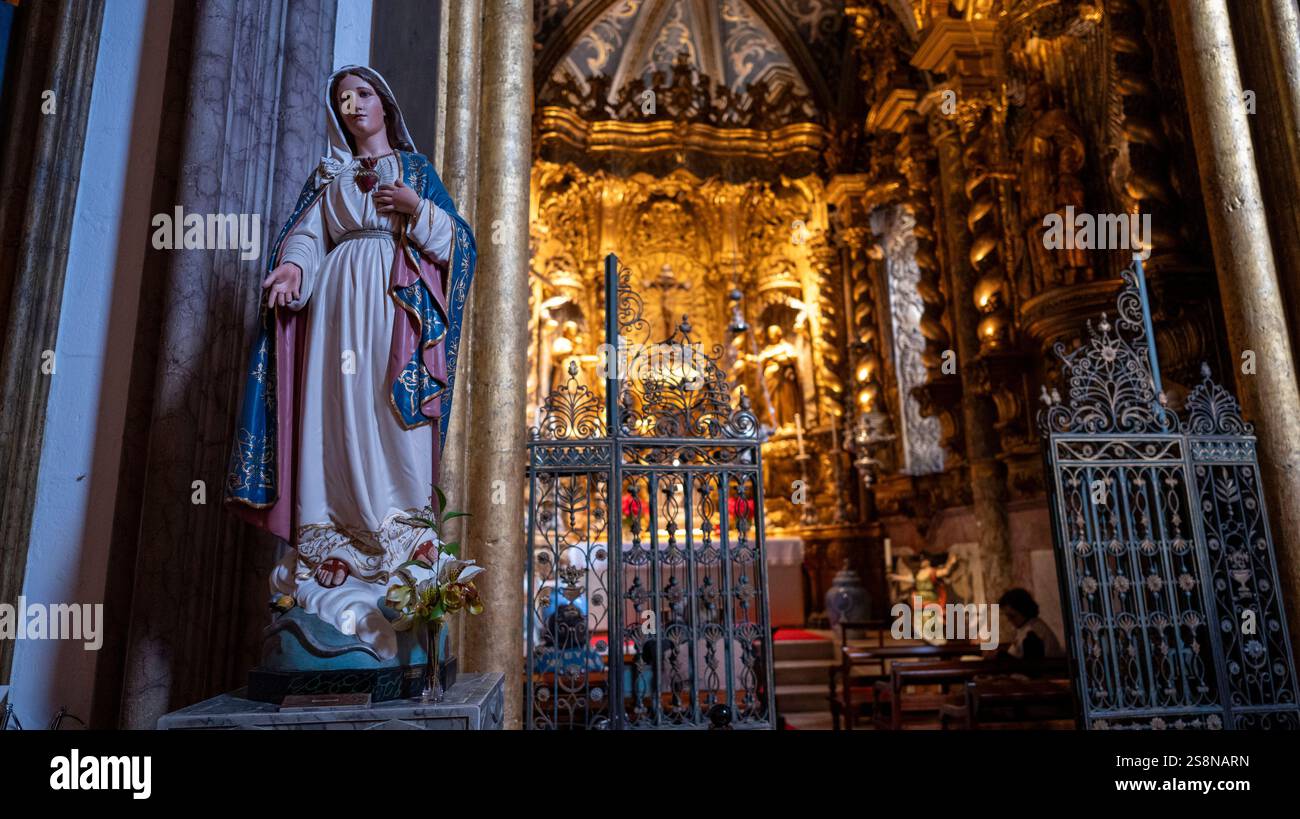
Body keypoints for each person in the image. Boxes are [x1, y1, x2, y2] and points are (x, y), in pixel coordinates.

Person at [225, 66, 476, 659]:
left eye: (362, 94)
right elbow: (308, 235)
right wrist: (292, 268)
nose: (352, 104)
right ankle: (330, 547)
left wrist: (418, 210)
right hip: (336, 313)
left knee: (394, 423)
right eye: (343, 98)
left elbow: (462, 248)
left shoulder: (415, 172)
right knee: (332, 420)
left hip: (395, 314)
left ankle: (403, 549)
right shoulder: (329, 175)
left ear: (384, 104)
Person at [997, 588, 1064, 661]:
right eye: (1007, 616)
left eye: (1012, 616)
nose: (1009, 620)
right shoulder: (1025, 627)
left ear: (1023, 610)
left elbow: (1030, 665)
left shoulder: (1033, 631)